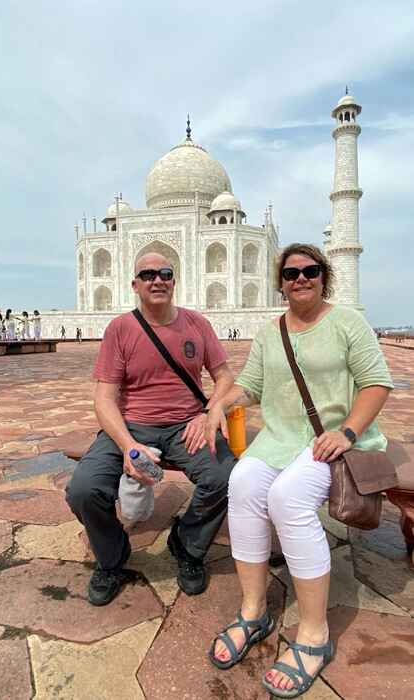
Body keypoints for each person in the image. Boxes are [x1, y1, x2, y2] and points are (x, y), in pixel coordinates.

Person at [205, 243, 393, 698]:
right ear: (281, 282)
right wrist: (218, 406)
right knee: (244, 483)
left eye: (310, 270)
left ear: (324, 275)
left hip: (330, 441)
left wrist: (347, 432)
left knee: (287, 498)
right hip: (280, 439)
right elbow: (250, 384)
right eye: (291, 273)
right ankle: (254, 611)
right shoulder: (271, 332)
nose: (301, 279)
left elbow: (376, 383)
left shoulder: (347, 322)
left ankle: (314, 634)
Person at [65, 252, 237, 606]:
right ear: (135, 284)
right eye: (148, 274)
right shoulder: (120, 329)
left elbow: (224, 377)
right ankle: (112, 557)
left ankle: (187, 545)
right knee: (83, 489)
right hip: (131, 425)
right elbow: (104, 399)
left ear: (175, 280)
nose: (157, 280)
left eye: (165, 273)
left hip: (185, 425)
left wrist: (207, 413)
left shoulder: (197, 324)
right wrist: (128, 445)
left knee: (226, 477)